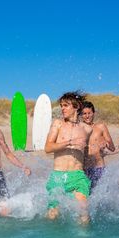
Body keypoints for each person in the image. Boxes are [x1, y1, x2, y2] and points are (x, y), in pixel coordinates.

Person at [44, 91, 92, 224]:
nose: (62, 108)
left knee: (83, 211)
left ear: (76, 107)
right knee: (53, 215)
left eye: (66, 105)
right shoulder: (58, 124)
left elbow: (85, 153)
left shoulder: (87, 129)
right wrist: (68, 143)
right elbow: (48, 148)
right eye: (61, 105)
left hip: (77, 175)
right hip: (58, 175)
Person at [81, 101, 115, 190]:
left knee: (101, 198)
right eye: (84, 114)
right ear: (81, 115)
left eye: (89, 113)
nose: (87, 116)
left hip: (99, 168)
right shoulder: (79, 129)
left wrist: (106, 144)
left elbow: (112, 147)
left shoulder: (101, 127)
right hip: (83, 169)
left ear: (93, 113)